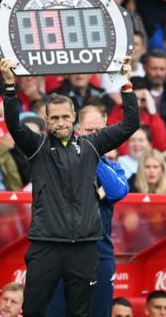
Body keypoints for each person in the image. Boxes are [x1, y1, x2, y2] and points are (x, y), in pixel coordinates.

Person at [0, 56, 139, 317]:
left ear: (74, 118)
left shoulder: (92, 145)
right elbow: (14, 125)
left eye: (65, 117)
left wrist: (125, 82)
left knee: (80, 313)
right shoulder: (37, 147)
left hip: (84, 246)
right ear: (46, 120)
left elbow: (130, 125)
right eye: (55, 118)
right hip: (45, 244)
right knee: (34, 311)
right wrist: (9, 84)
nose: (61, 122)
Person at [46, 104, 131, 317]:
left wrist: (92, 156)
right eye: (89, 131)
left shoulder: (113, 167)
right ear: (77, 131)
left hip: (100, 256)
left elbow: (117, 191)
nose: (95, 136)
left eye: (100, 131)